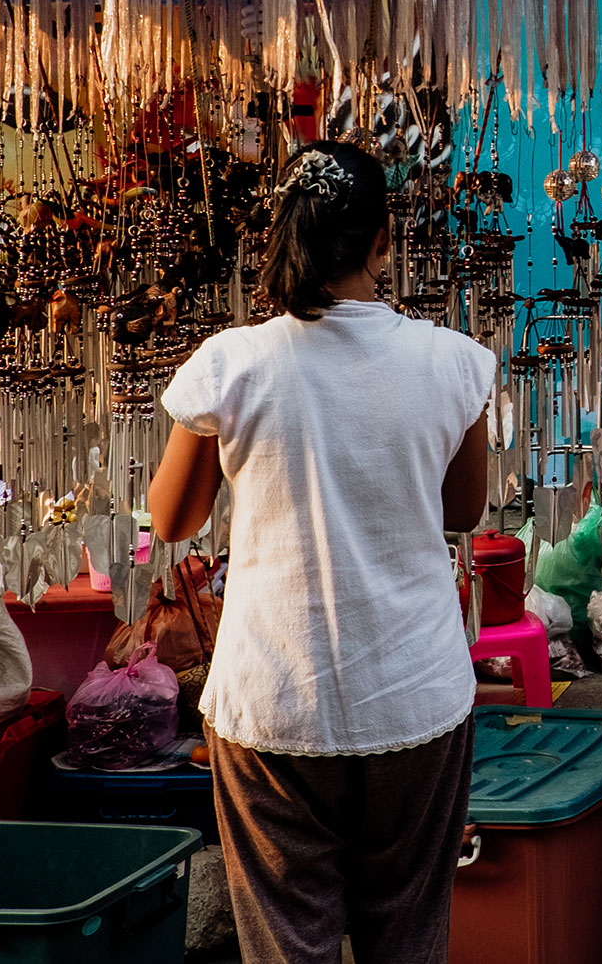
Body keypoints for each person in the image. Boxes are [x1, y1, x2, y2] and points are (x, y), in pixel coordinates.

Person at [149, 142, 493, 964]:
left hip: (274, 701)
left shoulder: (232, 363)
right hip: (414, 697)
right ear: (383, 240)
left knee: (285, 942)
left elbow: (173, 519)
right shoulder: (453, 362)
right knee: (408, 937)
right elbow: (463, 510)